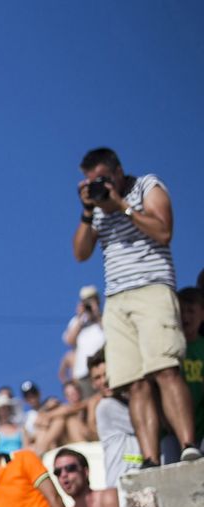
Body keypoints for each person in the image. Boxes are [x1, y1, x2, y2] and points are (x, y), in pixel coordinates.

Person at [72, 147, 199, 465]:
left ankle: (188, 445)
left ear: (118, 170)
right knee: (134, 382)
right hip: (116, 298)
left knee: (165, 369)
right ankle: (150, 458)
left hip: (152, 287)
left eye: (102, 178)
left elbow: (163, 230)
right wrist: (89, 210)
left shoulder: (146, 186)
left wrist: (122, 206)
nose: (99, 184)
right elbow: (80, 252)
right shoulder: (98, 206)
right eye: (91, 181)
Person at [89, 350, 142, 488]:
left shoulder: (129, 402)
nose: (104, 381)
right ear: (92, 384)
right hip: (124, 484)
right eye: (97, 378)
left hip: (137, 479)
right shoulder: (106, 406)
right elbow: (145, 423)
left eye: (106, 374)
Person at [63, 286, 107, 399]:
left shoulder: (104, 317)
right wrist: (80, 316)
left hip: (103, 370)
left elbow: (109, 333)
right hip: (82, 374)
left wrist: (96, 314)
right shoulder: (77, 322)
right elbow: (69, 340)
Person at [179, 287, 204, 447]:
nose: (185, 316)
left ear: (202, 314)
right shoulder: (169, 347)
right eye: (181, 311)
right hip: (173, 432)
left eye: (191, 310)